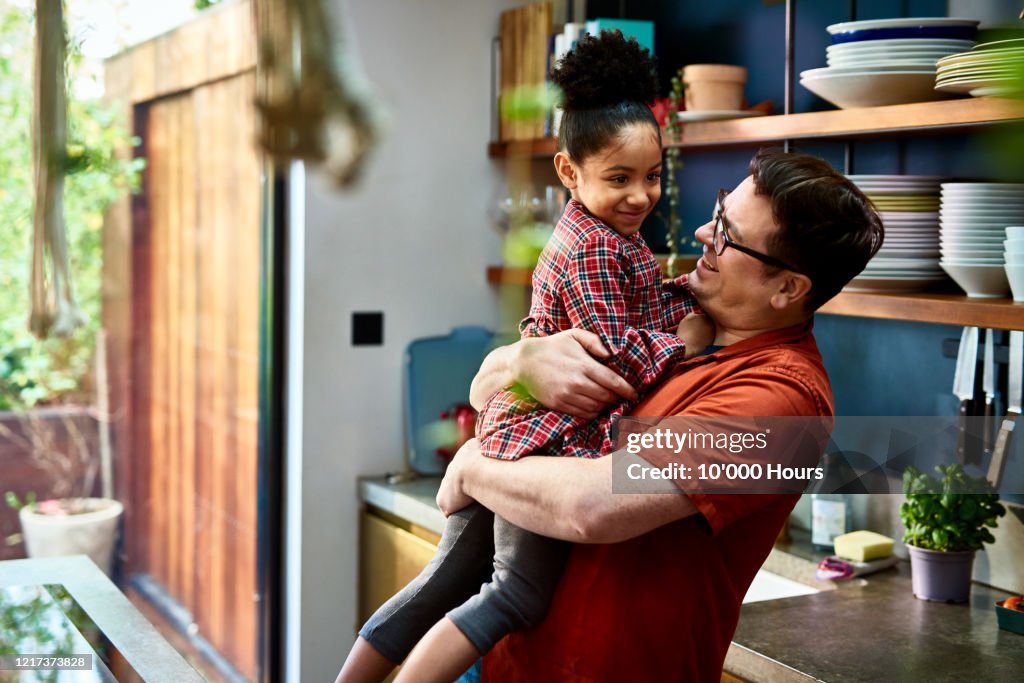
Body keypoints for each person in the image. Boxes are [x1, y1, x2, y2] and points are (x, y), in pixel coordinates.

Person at [336, 31, 712, 683]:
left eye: (652, 177)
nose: (640, 196)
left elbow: (634, 307)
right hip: (546, 447)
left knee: (442, 585)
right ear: (569, 171)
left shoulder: (601, 234)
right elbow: (613, 355)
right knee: (513, 595)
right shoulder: (599, 248)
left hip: (517, 434)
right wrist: (687, 342)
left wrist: (685, 290)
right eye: (619, 178)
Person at [436, 148, 884, 682]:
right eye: (719, 212)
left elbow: (593, 506)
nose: (701, 233)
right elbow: (486, 391)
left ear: (788, 288)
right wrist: (518, 358)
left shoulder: (786, 407)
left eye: (726, 233)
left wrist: (472, 466)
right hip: (508, 662)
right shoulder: (671, 312)